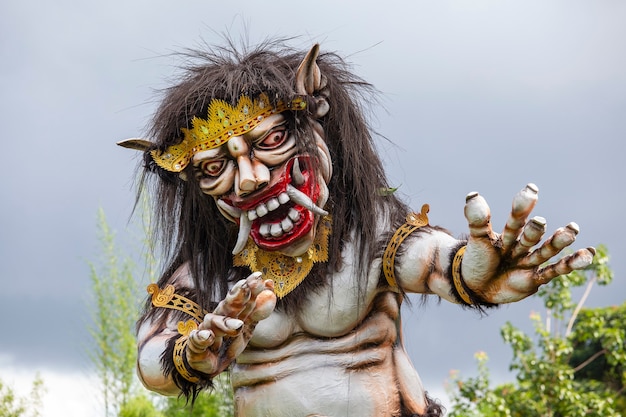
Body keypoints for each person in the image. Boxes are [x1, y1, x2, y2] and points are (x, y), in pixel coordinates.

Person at [119, 41, 594, 416]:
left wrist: (474, 272)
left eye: (273, 141)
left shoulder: (370, 232)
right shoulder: (205, 274)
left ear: (317, 129)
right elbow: (152, 362)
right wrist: (191, 353)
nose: (249, 178)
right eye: (214, 168)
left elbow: (436, 263)